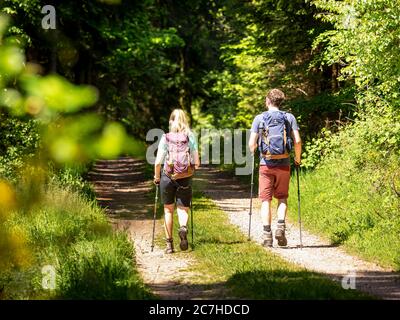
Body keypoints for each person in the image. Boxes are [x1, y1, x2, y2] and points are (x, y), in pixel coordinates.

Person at [248, 89, 302, 247]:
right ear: (281, 101)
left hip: (266, 164)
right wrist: (297, 159)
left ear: (267, 101)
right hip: (284, 164)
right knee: (282, 197)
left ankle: (267, 236)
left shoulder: (259, 118)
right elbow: (297, 141)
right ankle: (280, 226)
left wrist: (254, 151)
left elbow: (252, 144)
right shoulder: (289, 117)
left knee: (266, 199)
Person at [154, 109, 200, 254]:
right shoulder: (190, 136)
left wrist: (157, 177)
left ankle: (169, 245)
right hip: (185, 177)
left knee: (168, 210)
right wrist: (191, 170)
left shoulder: (165, 137)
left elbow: (157, 163)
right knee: (183, 208)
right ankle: (183, 228)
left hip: (167, 176)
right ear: (185, 120)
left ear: (170, 121)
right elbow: (197, 162)